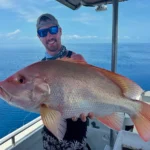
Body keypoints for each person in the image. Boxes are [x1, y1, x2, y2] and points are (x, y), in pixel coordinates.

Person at [36, 13, 94, 150]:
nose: (49, 36)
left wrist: (91, 108)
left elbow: (90, 89)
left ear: (60, 31)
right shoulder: (40, 68)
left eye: (53, 30)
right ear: (39, 37)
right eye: (43, 32)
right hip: (50, 133)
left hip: (75, 134)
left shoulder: (75, 59)